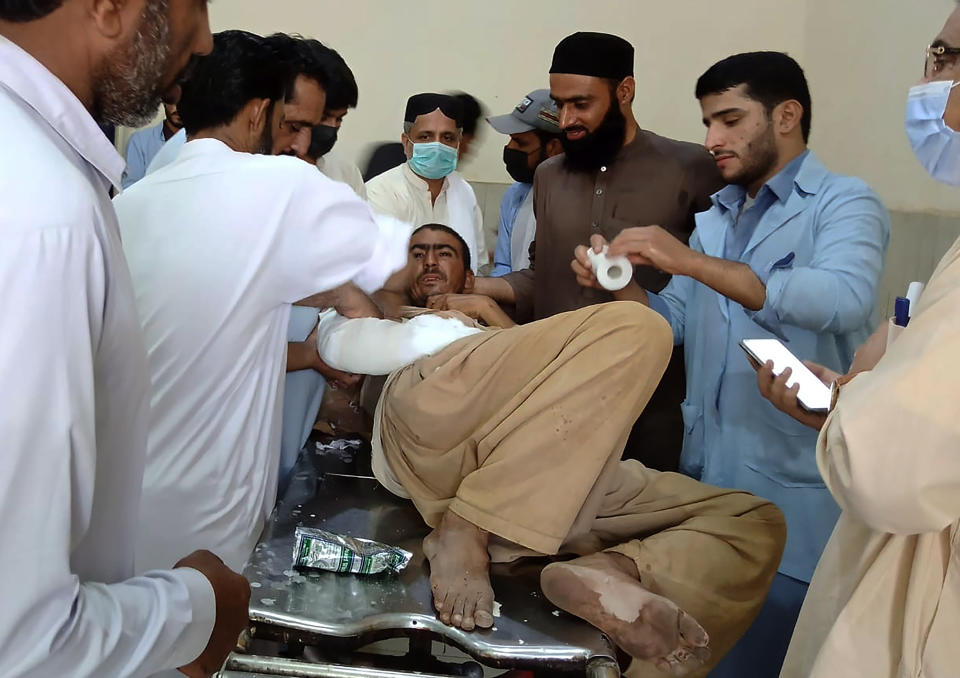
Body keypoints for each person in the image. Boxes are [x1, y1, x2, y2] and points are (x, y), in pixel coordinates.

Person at [313, 224, 788, 677]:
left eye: (445, 253)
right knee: (642, 328)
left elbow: (553, 371)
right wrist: (424, 321)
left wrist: (486, 313)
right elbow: (341, 348)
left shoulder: (499, 331)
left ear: (471, 276)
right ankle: (467, 528)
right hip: (437, 409)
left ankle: (616, 571)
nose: (430, 261)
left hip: (538, 463)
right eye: (417, 254)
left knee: (751, 521)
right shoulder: (392, 319)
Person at [572, 51, 890, 677]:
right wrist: (621, 287)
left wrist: (688, 263)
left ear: (787, 116)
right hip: (708, 489)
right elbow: (680, 326)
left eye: (729, 119)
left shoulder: (845, 202)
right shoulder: (718, 218)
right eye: (707, 122)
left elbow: (842, 297)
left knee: (768, 659)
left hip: (794, 496)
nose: (712, 139)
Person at [0, 1, 252, 677]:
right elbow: (20, 644)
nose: (202, 40)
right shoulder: (43, 214)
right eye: (193, 8)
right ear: (110, 8)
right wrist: (198, 610)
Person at [113, 30, 410, 580]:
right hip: (207, 519)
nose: (300, 147)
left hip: (122, 502)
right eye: (291, 126)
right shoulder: (278, 185)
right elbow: (396, 260)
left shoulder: (130, 204)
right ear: (257, 113)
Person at [757, 9, 960, 677]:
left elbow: (896, 471)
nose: (932, 80)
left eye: (949, 58)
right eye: (935, 55)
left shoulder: (846, 203)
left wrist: (853, 397)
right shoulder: (715, 207)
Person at [475, 32, 723, 473]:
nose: (566, 118)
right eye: (559, 103)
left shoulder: (692, 169)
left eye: (581, 104)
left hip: (649, 400)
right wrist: (478, 286)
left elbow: (711, 289)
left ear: (624, 92)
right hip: (556, 390)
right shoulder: (549, 175)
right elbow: (542, 274)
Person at [366, 93, 486, 271]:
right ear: (406, 143)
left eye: (447, 138)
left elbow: (480, 266)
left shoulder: (465, 192)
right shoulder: (380, 192)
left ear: (459, 143)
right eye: (425, 137)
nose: (437, 146)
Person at [486, 88, 563, 276]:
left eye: (520, 143)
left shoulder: (580, 200)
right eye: (510, 140)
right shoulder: (515, 195)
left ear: (553, 147)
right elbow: (503, 266)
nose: (510, 148)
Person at [301, 43, 365, 198]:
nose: (332, 128)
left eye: (339, 119)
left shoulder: (346, 173)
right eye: (323, 117)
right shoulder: (264, 172)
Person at [122, 101, 182, 188]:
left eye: (184, 101)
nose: (177, 108)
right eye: (173, 101)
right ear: (164, 102)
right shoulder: (140, 141)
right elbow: (129, 188)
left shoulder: (202, 141)